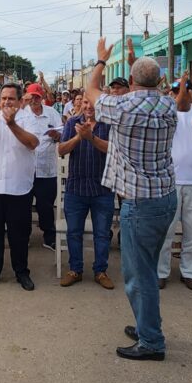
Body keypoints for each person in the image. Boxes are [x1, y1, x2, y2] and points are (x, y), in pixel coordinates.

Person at [85, 39, 177, 362]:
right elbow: (154, 88)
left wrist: (100, 61)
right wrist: (138, 66)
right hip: (165, 198)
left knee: (140, 275)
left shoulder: (122, 108)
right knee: (148, 268)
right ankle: (146, 325)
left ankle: (152, 341)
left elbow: (91, 91)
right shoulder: (169, 105)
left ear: (133, 81)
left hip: (138, 203)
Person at [0, 84, 41, 290]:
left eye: (11, 98)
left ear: (21, 101)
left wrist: (11, 124)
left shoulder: (28, 118)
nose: (6, 102)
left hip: (19, 187)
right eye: (3, 98)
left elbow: (32, 143)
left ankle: (21, 272)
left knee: (19, 235)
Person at [154, 77, 192, 292]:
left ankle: (190, 272)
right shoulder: (166, 113)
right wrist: (181, 91)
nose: (181, 93)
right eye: (176, 90)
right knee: (165, 232)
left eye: (186, 90)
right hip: (169, 183)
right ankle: (161, 272)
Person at [57, 96, 113, 288]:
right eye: (86, 103)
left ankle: (101, 271)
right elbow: (61, 150)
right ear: (80, 104)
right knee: (73, 233)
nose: (89, 107)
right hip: (76, 188)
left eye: (94, 103)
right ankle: (75, 270)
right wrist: (78, 137)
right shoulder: (73, 123)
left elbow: (114, 150)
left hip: (103, 188)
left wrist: (91, 138)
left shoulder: (108, 124)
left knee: (103, 234)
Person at [19, 83, 62, 251]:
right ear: (27, 98)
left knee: (46, 205)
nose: (35, 100)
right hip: (26, 168)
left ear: (42, 97)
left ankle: (49, 237)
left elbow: (62, 134)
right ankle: (24, 236)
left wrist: (57, 135)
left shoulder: (52, 113)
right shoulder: (22, 115)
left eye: (37, 96)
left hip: (47, 168)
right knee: (23, 205)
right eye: (32, 97)